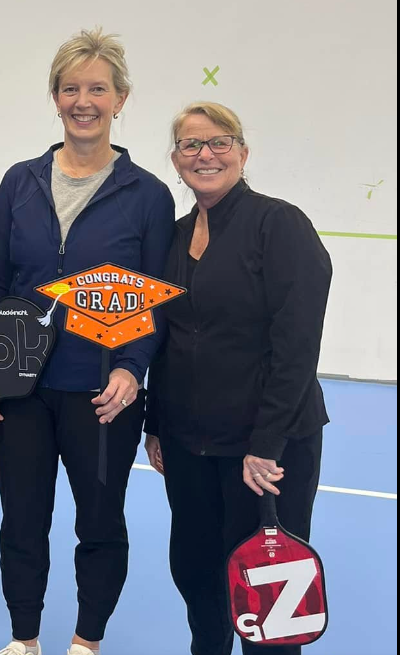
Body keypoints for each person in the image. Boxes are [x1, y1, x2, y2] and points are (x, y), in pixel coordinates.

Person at [0, 28, 175, 655]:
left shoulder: (148, 195)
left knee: (101, 524)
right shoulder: (19, 181)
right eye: (70, 88)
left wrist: (131, 368)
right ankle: (23, 640)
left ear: (121, 99)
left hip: (102, 393)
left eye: (97, 88)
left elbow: (154, 291)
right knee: (22, 522)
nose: (83, 100)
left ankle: (86, 641)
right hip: (21, 390)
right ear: (55, 98)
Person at [144, 102, 331, 655]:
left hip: (265, 450)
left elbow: (296, 345)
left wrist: (266, 445)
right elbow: (164, 339)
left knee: (266, 595)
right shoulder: (173, 238)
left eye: (219, 142)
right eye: (190, 145)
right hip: (189, 445)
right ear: (176, 160)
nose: (205, 155)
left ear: (243, 154)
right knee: (198, 574)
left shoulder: (280, 225)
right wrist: (157, 424)